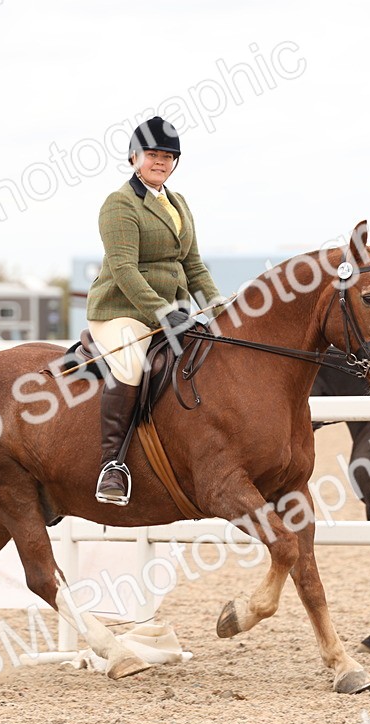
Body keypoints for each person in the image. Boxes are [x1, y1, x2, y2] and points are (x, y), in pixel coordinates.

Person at [85, 116, 222, 506]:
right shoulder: (119, 204)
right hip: (120, 310)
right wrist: (163, 312)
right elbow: (125, 269)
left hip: (172, 310)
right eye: (152, 155)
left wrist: (216, 307)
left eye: (168, 156)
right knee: (130, 363)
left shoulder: (178, 203)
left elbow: (193, 266)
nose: (160, 162)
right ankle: (112, 466)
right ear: (134, 157)